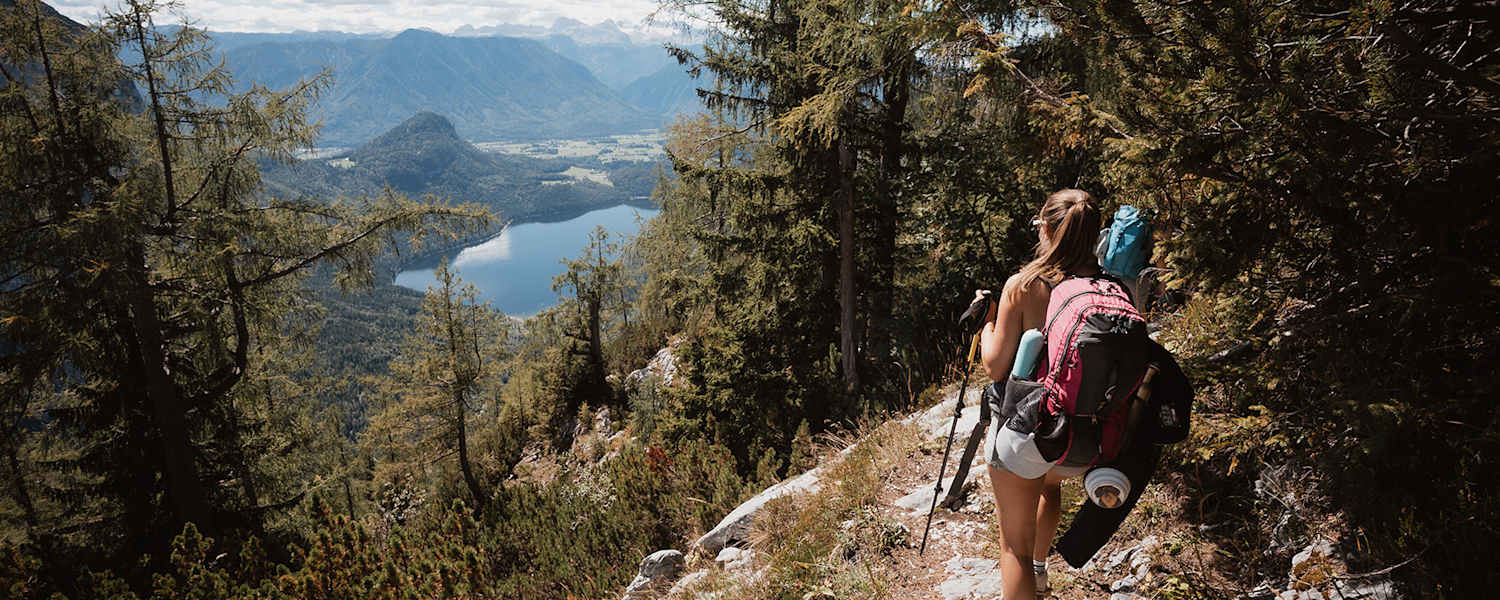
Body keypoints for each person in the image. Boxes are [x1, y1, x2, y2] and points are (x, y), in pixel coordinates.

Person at [977, 188, 1102, 598]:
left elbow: (995, 366)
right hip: (1083, 440)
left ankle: (1028, 572)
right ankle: (1040, 569)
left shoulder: (1024, 285)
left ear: (1046, 229)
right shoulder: (1106, 286)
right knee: (1049, 487)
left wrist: (988, 324)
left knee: (1013, 546)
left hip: (1029, 432)